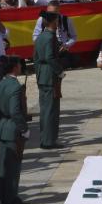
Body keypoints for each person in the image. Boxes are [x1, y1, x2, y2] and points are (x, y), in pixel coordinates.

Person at [0, 55, 30, 204]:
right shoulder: (15, 87)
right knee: (13, 167)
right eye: (19, 65)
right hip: (13, 128)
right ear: (15, 67)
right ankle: (11, 197)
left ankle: (3, 196)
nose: (21, 67)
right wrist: (24, 128)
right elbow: (15, 112)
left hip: (2, 128)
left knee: (3, 166)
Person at [33, 11, 64, 149]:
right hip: (49, 76)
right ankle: (49, 141)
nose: (58, 23)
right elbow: (49, 57)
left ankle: (46, 139)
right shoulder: (49, 37)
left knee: (46, 109)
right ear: (52, 22)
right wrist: (60, 71)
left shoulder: (41, 36)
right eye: (57, 21)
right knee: (50, 111)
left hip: (43, 76)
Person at [32, 1, 78, 69]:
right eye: (50, 13)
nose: (51, 16)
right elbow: (35, 36)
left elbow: (74, 36)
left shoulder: (67, 20)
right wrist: (42, 46)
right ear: (47, 10)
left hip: (61, 50)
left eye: (54, 13)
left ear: (59, 11)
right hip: (46, 49)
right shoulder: (41, 20)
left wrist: (66, 45)